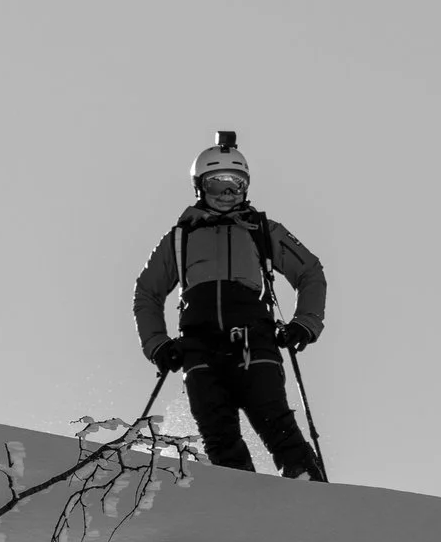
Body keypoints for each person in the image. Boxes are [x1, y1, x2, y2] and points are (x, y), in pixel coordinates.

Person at [132, 132, 327, 480]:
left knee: (276, 424)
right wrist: (157, 343)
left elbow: (310, 270)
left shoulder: (261, 230)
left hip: (253, 338)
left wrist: (305, 322)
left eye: (235, 185)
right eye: (217, 184)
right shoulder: (181, 236)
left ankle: (309, 494)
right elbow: (147, 291)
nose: (227, 194)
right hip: (199, 345)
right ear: (199, 187)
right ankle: (240, 513)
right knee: (219, 437)